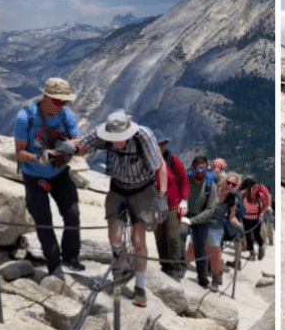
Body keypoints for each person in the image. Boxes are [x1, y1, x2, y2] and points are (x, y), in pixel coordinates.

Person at [75, 110, 167, 308]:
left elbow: (160, 167)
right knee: (114, 236)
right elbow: (82, 146)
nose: (117, 143)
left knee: (139, 240)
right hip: (117, 186)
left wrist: (162, 196)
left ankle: (140, 287)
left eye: (121, 138)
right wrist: (65, 149)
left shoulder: (144, 136)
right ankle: (124, 263)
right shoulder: (103, 132)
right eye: (113, 139)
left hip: (142, 189)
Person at [14, 77, 83, 280]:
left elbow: (77, 140)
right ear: (45, 96)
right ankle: (54, 265)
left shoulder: (65, 115)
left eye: (64, 102)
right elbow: (19, 152)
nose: (61, 105)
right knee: (44, 220)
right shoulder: (25, 117)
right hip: (34, 177)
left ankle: (71, 256)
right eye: (57, 101)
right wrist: (38, 158)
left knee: (72, 213)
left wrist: (69, 145)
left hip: (59, 173)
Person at [152, 129, 190, 280]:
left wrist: (184, 200)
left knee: (172, 235)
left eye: (163, 143)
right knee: (159, 236)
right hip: (154, 205)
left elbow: (184, 180)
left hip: (172, 203)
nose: (162, 146)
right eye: (159, 144)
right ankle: (165, 265)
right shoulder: (148, 161)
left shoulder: (172, 160)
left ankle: (175, 266)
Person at [183, 156, 218, 288]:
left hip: (201, 219)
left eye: (204, 168)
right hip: (186, 214)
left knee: (200, 249)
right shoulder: (185, 181)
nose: (201, 171)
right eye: (198, 168)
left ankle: (203, 280)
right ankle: (178, 270)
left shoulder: (211, 186)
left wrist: (191, 221)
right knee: (178, 239)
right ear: (192, 168)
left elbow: (210, 210)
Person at [239, 178, 271, 260]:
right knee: (248, 236)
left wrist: (262, 214)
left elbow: (266, 206)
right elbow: (238, 204)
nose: (255, 189)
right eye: (254, 187)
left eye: (257, 187)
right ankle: (252, 253)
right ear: (250, 187)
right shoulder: (243, 194)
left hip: (256, 219)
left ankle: (261, 248)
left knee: (257, 235)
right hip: (245, 218)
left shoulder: (260, 196)